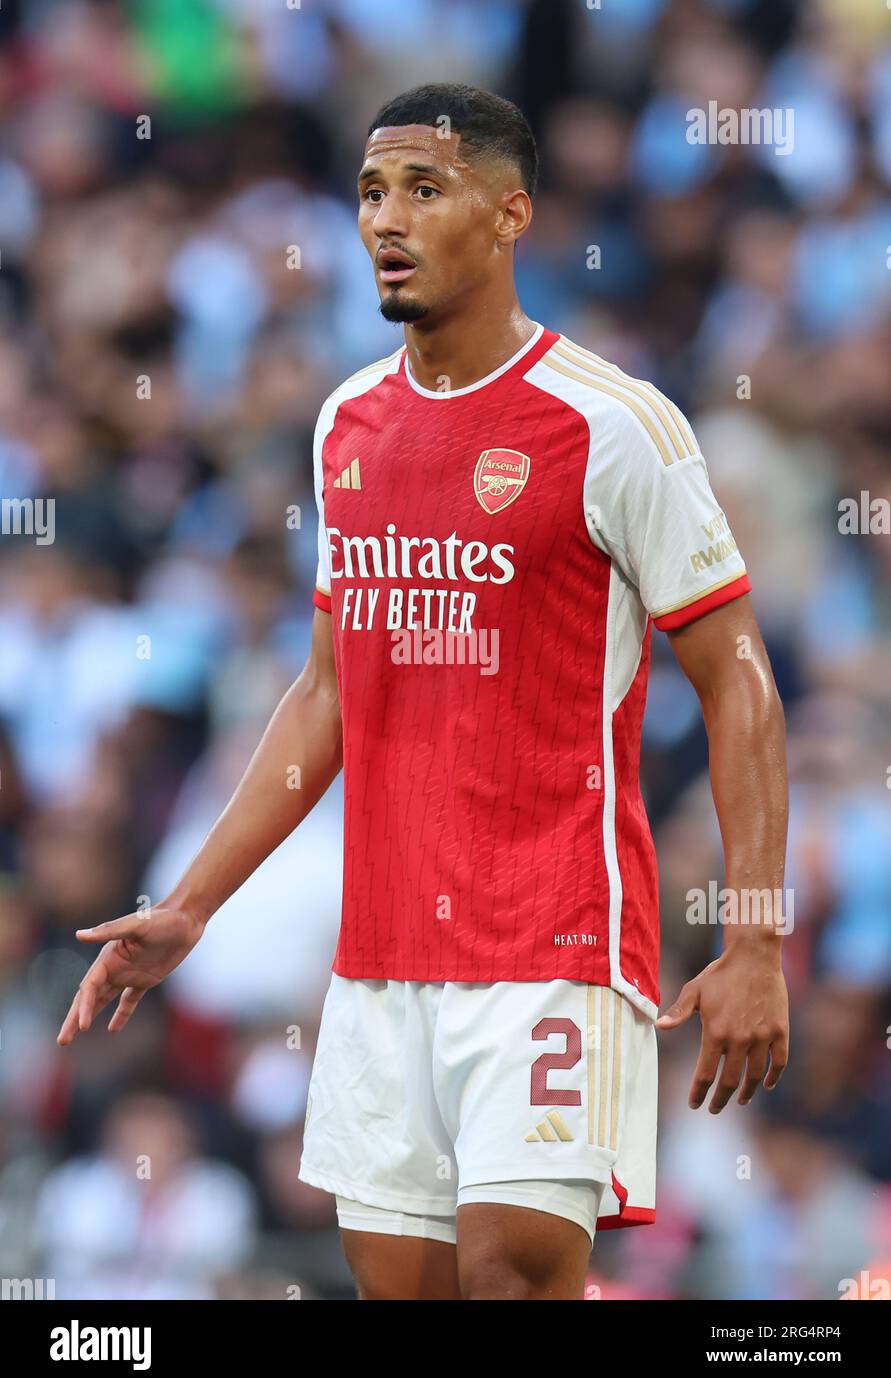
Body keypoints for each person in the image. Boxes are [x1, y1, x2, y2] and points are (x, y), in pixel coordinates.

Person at [57, 83, 790, 1301]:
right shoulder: (348, 425)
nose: (386, 219)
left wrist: (757, 933)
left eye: (423, 189)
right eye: (369, 191)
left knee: (510, 1270)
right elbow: (324, 698)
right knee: (406, 1290)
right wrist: (190, 904)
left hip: (555, 935)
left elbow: (741, 677)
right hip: (384, 955)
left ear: (512, 217)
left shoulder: (613, 425)